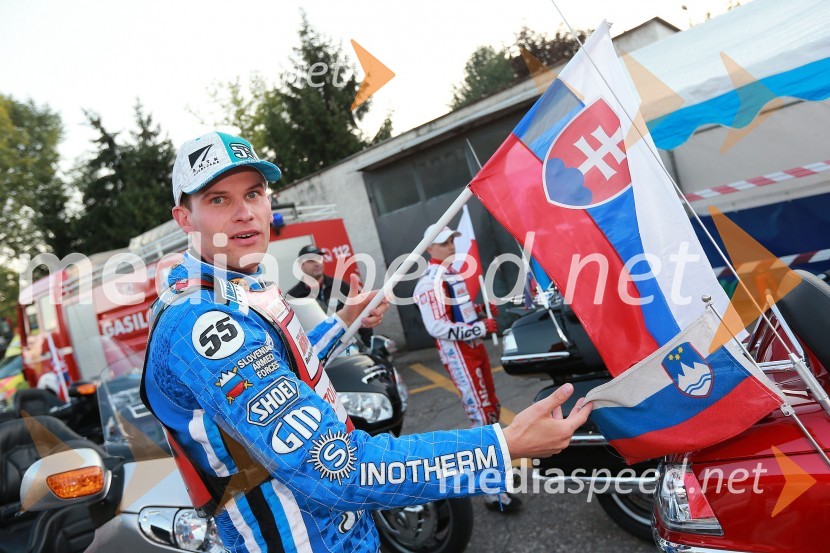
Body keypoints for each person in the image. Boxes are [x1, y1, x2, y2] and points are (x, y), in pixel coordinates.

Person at [141, 131, 592, 553]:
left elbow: (282, 372)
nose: (244, 213)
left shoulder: (237, 282)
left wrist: (342, 322)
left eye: (253, 193)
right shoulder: (200, 320)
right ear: (185, 217)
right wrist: (502, 446)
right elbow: (334, 468)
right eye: (219, 199)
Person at [412, 225, 519, 511]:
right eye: (444, 243)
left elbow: (462, 313)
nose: (451, 246)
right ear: (429, 249)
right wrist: (480, 327)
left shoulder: (453, 273)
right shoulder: (428, 283)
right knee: (481, 417)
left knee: (492, 410)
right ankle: (491, 491)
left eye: (452, 241)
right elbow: (437, 327)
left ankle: (496, 475)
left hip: (476, 351)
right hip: (460, 356)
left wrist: (481, 312)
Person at [287, 244, 373, 344]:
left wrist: (369, 344)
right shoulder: (292, 297)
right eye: (311, 260)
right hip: (316, 353)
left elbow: (360, 314)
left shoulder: (340, 286)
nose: (317, 263)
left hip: (348, 347)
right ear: (301, 265)